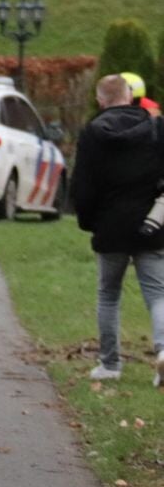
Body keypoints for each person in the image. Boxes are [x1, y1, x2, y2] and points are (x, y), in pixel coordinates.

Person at [73, 74, 164, 384]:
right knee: (157, 293)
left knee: (109, 295)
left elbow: (83, 186)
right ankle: (163, 353)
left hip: (110, 225)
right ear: (130, 95)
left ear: (101, 100)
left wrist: (88, 221)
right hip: (152, 223)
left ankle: (110, 365)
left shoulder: (93, 133)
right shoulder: (156, 127)